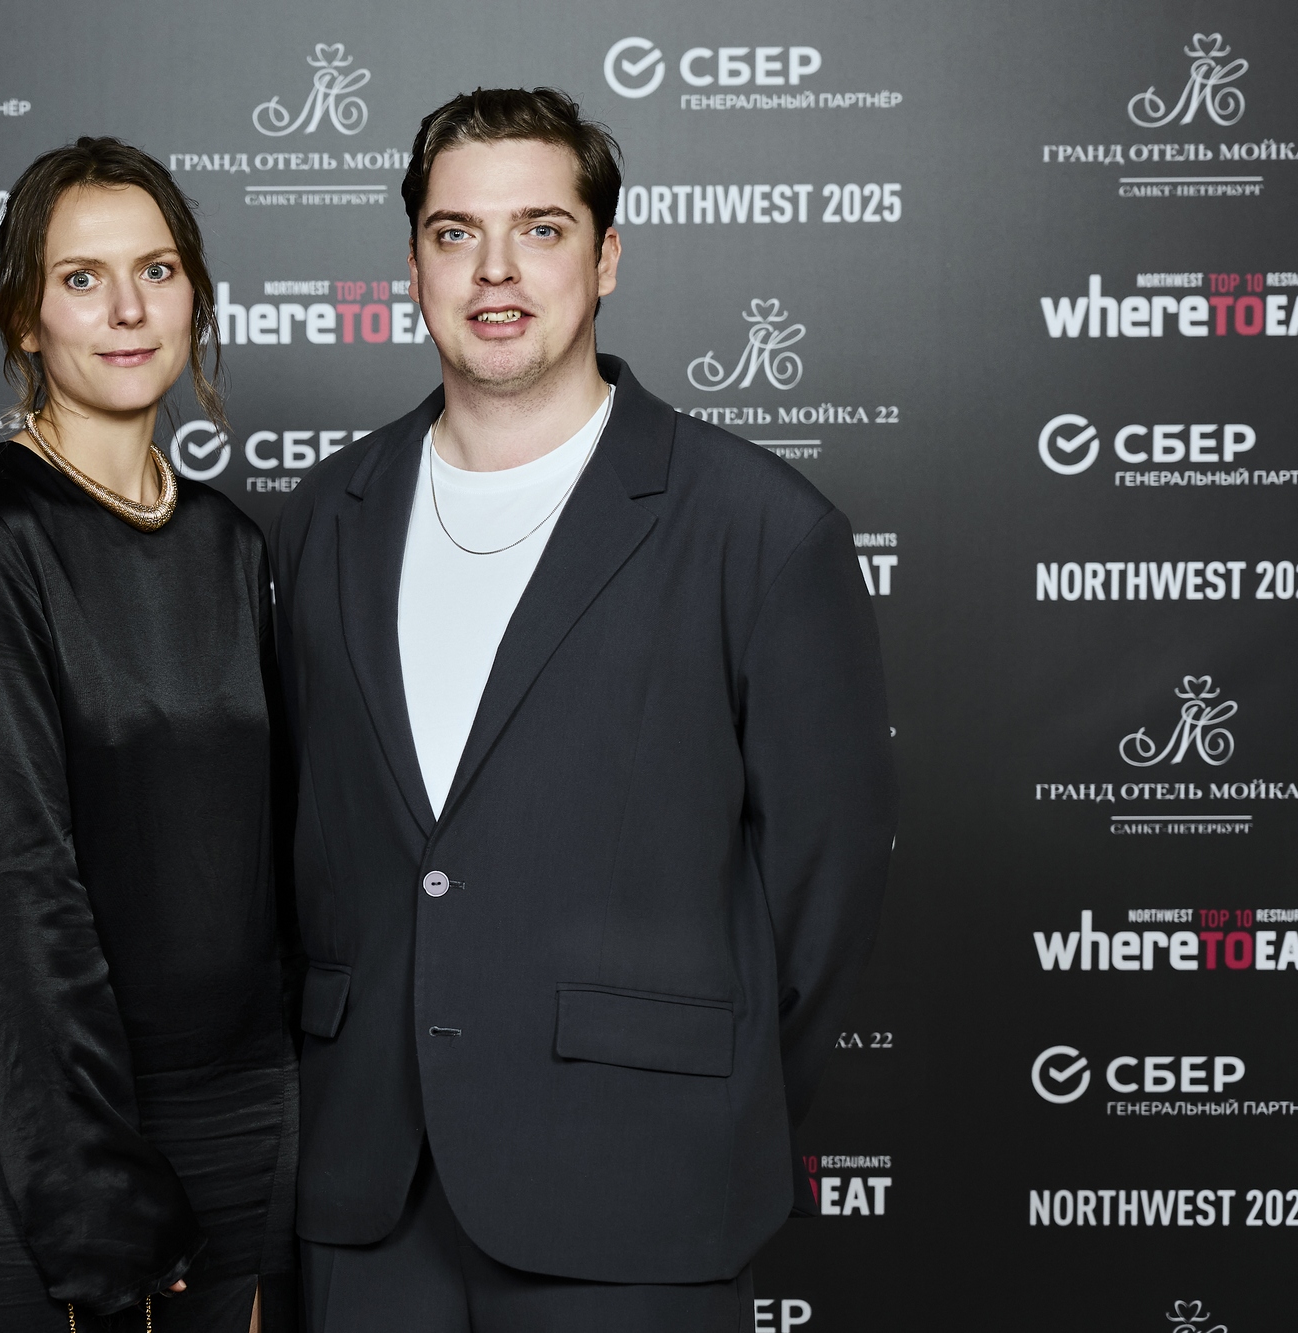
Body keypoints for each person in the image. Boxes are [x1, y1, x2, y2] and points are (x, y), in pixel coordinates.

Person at [269, 89, 896, 1332]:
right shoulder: (321, 517)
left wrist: (692, 1104)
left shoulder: (760, 529)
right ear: (413, 264)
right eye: (455, 233)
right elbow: (299, 853)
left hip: (636, 1197)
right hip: (368, 1200)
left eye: (540, 229)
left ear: (605, 257)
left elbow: (821, 894)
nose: (494, 270)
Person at [0, 137, 301, 1333]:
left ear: (194, 297)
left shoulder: (231, 542)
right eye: (82, 279)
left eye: (157, 270)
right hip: (57, 1133)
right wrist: (93, 1189)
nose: (128, 309)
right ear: (24, 317)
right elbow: (11, 880)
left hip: (245, 1113)